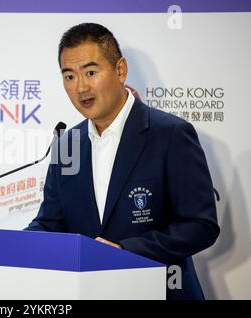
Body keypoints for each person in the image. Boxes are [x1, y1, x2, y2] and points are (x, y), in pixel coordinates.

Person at [25, 23, 220, 300]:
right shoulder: (67, 144)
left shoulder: (170, 134)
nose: (80, 87)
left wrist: (126, 252)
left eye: (90, 72)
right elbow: (50, 223)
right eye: (69, 76)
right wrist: (17, 245)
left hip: (160, 291)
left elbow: (201, 226)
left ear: (120, 70)